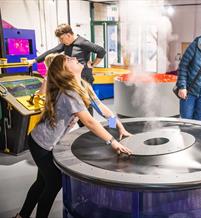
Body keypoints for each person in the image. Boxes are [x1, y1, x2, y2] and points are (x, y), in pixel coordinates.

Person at [14, 54, 132, 218]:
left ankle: (22, 215)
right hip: (41, 144)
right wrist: (112, 141)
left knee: (42, 182)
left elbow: (101, 109)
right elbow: (89, 122)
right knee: (54, 183)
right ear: (65, 70)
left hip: (45, 142)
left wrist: (118, 125)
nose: (74, 58)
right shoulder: (69, 92)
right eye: (68, 60)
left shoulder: (82, 85)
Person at [28, 23, 105, 85]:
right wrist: (34, 61)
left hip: (84, 78)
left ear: (68, 35)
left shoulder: (82, 43)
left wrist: (93, 65)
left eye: (61, 38)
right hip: (72, 77)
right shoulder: (65, 44)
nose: (61, 41)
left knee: (84, 102)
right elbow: (52, 51)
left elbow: (101, 51)